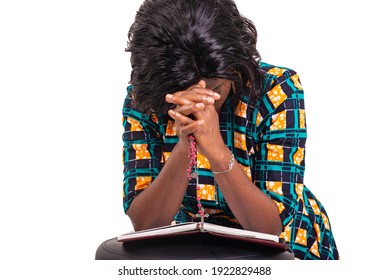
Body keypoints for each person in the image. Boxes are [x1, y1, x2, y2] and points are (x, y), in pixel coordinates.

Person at [121, 0, 339, 260]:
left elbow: (270, 229)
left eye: (214, 89)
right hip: (197, 253)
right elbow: (145, 226)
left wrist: (216, 150)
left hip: (287, 251)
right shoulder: (143, 99)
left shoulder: (277, 90)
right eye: (184, 93)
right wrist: (184, 146)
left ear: (235, 64)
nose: (201, 101)